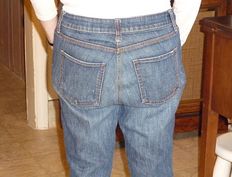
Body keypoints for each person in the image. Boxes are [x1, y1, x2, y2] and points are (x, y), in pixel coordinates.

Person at [30, 0, 201, 176]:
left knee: (88, 168)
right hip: (154, 34)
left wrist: (53, 35)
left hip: (80, 33)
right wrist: (171, 40)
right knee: (153, 167)